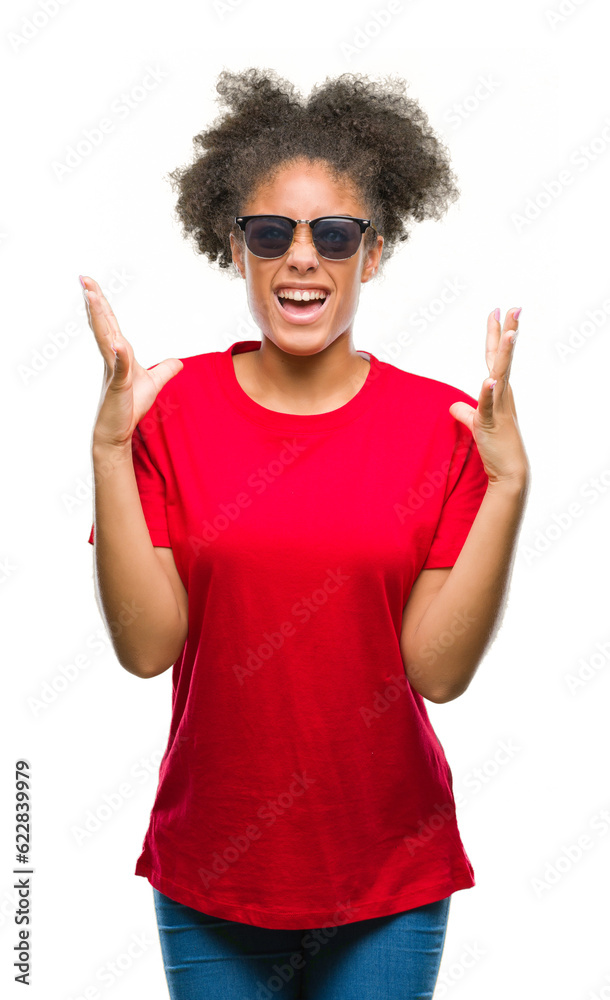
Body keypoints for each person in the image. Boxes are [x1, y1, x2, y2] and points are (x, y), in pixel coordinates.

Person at [84, 68, 530, 1000]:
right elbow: (146, 648)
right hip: (214, 869)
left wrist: (509, 485)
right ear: (234, 248)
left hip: (390, 878)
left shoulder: (442, 425)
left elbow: (439, 674)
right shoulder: (168, 410)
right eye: (269, 232)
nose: (301, 258)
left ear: (372, 253)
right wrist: (111, 451)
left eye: (334, 234)